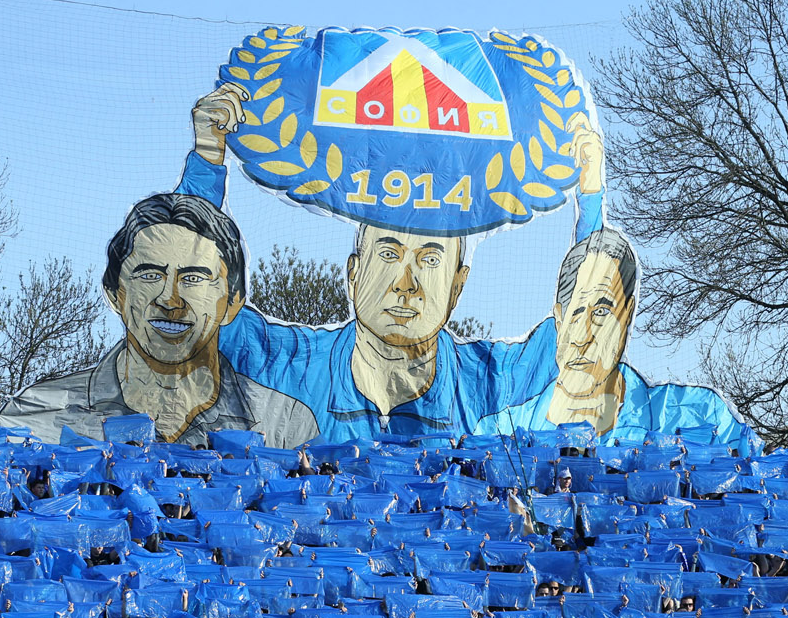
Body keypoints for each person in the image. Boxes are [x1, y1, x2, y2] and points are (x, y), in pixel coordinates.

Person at [180, 86, 601, 442]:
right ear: (353, 273)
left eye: (430, 259)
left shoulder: (481, 380)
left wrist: (590, 190)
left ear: (457, 286)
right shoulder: (297, 366)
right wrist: (207, 158)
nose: (406, 283)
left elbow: (582, 325)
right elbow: (205, 310)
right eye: (388, 254)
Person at [0, 192, 317, 447]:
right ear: (114, 293)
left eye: (193, 278)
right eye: (150, 275)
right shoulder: (36, 416)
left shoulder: (287, 424)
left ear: (233, 302)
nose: (170, 299)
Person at [472, 228, 757, 452]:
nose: (582, 337)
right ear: (558, 319)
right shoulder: (499, 431)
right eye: (576, 314)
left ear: (627, 314)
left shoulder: (699, 415)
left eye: (601, 312)